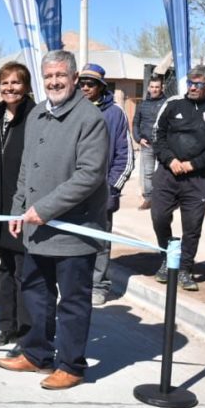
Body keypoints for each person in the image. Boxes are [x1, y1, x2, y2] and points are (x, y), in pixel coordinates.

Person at [0, 49, 108, 390]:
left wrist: (44, 209)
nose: (54, 82)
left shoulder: (90, 118)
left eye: (61, 75)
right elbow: (26, 169)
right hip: (37, 230)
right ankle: (36, 354)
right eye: (48, 76)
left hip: (74, 232)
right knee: (36, 294)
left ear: (74, 78)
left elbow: (89, 176)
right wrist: (18, 210)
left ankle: (71, 366)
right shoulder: (37, 114)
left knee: (72, 302)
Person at [150, 65, 205, 291]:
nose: (193, 88)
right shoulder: (173, 104)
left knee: (192, 226)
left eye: (199, 84)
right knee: (159, 217)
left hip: (197, 178)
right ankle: (167, 259)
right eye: (191, 83)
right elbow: (157, 135)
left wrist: (194, 164)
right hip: (168, 173)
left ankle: (184, 268)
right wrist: (170, 160)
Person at [0, 62, 33, 347]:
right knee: (6, 267)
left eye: (16, 82)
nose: (10, 88)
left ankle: (27, 335)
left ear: (26, 86)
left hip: (24, 208)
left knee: (25, 271)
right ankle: (6, 327)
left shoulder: (36, 118)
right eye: (5, 83)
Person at [78, 64, 133, 307]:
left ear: (101, 86)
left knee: (99, 240)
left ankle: (98, 285)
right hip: (72, 191)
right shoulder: (71, 108)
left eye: (90, 84)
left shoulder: (115, 113)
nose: (85, 87)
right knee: (72, 239)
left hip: (101, 192)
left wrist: (112, 188)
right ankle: (75, 284)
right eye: (81, 83)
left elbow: (125, 155)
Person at [131, 76, 166, 210]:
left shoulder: (168, 104)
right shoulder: (142, 105)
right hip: (147, 145)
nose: (154, 89)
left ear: (162, 88)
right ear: (148, 88)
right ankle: (149, 199)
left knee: (164, 173)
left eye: (157, 87)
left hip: (163, 145)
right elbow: (135, 123)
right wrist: (138, 138)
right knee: (148, 173)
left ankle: (163, 199)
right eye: (152, 87)